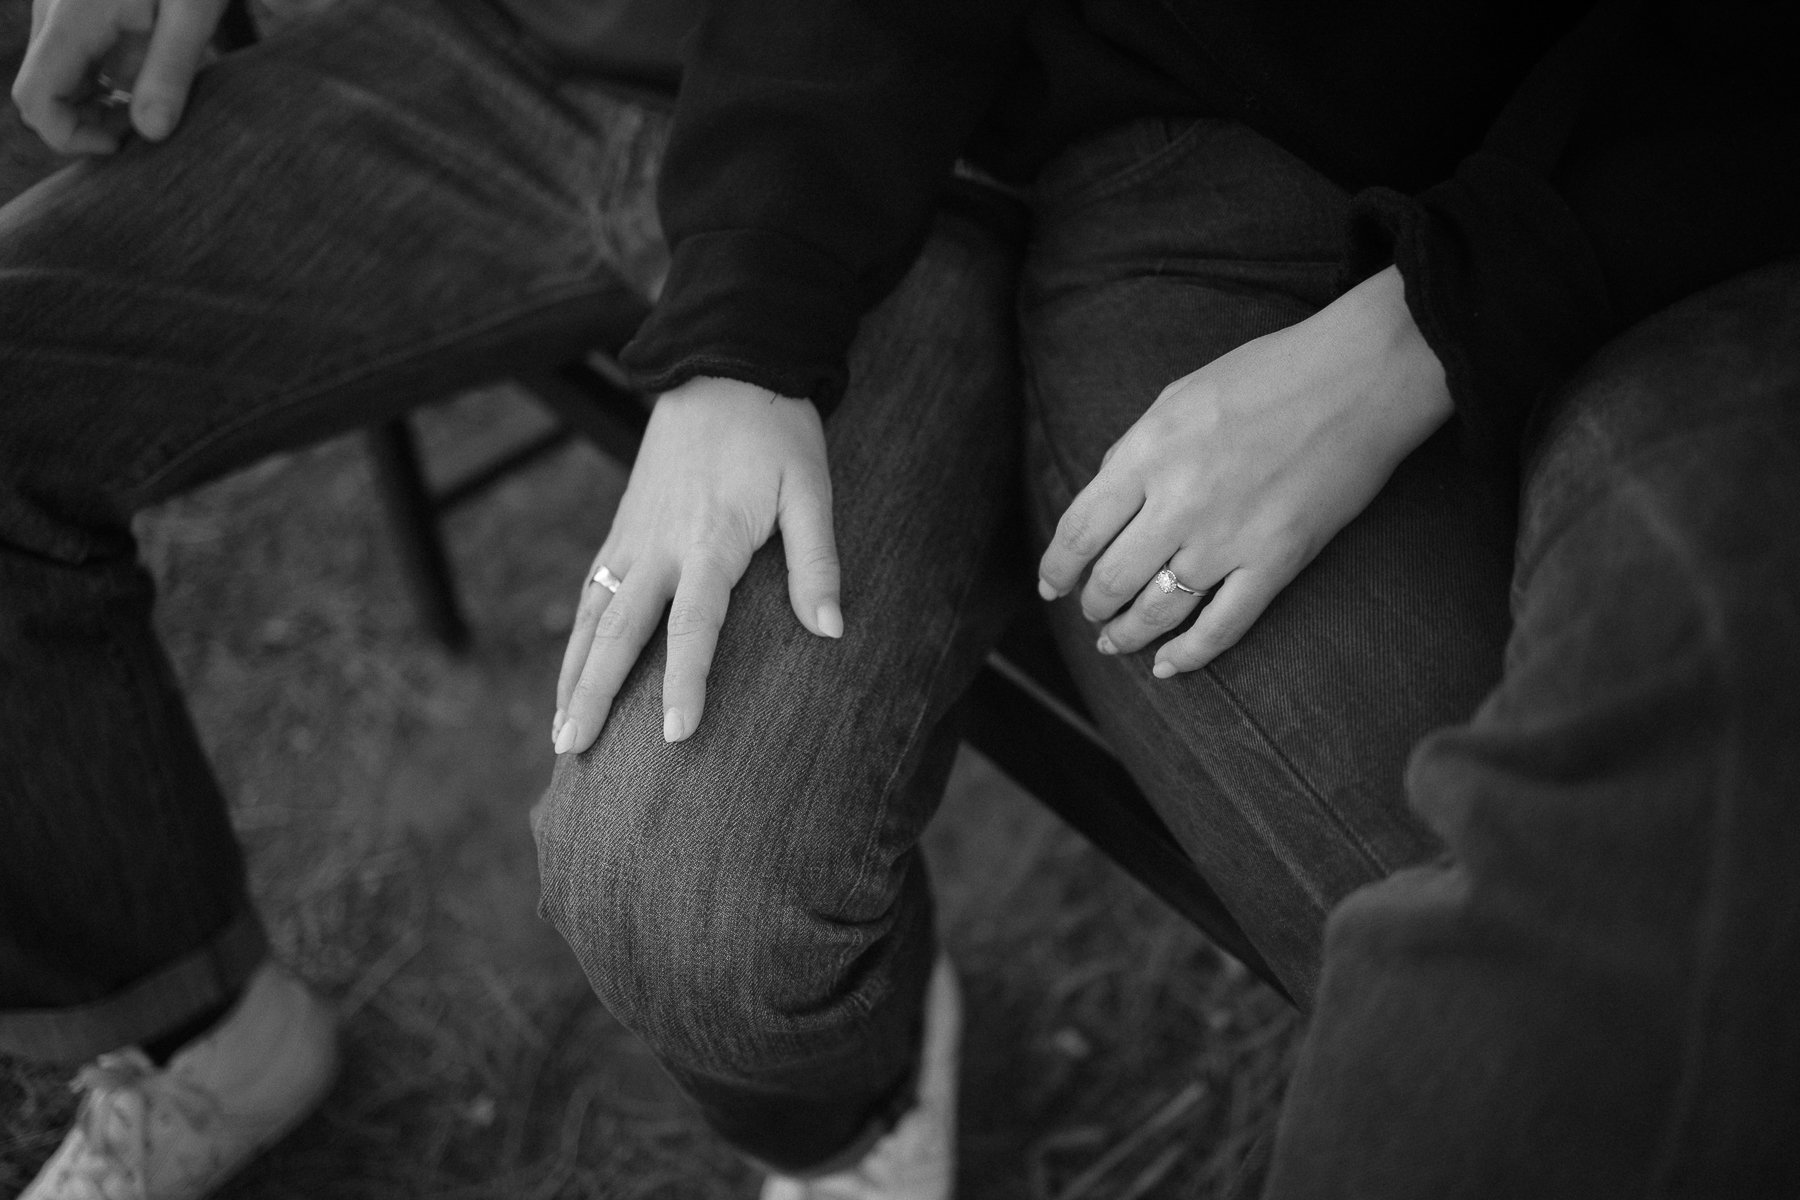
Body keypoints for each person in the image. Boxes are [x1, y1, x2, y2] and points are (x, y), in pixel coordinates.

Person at [3, 0, 1797, 1197]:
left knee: (682, 884)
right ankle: (187, 1015)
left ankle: (848, 1111)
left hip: (989, 147)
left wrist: (1439, 310)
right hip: (534, 52)